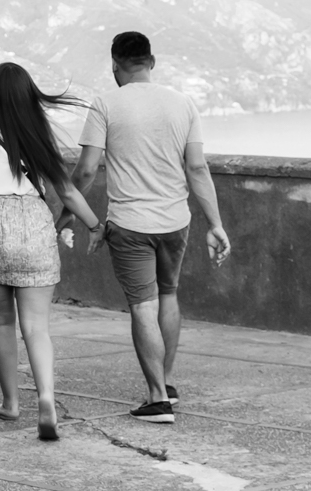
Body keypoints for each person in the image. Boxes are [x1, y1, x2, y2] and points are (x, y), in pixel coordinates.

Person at [70, 31, 230, 426]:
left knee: (143, 305)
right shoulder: (183, 103)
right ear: (151, 61)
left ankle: (157, 399)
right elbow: (196, 168)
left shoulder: (105, 103)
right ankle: (168, 383)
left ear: (114, 63)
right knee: (169, 295)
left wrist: (68, 210)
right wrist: (216, 224)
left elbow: (88, 169)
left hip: (130, 224)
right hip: (176, 221)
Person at [0, 63, 105, 442]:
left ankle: (11, 403)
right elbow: (67, 192)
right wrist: (95, 225)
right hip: (35, 224)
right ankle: (46, 398)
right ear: (29, 97)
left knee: (2, 323)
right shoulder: (38, 137)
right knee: (37, 328)